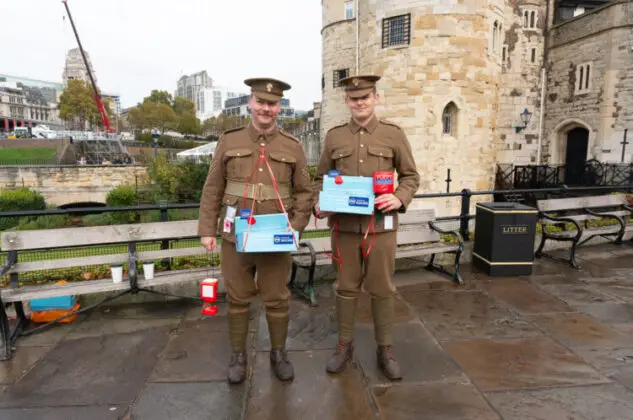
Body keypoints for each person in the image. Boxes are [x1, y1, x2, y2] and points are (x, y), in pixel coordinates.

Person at [198, 77, 313, 384]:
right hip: (234, 235)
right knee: (237, 298)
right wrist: (207, 229)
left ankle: (278, 353)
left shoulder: (292, 146)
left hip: (274, 236)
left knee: (277, 298)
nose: (266, 108)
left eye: (272, 104)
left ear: (279, 108)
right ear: (250, 103)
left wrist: (296, 227)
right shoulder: (229, 141)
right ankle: (238, 356)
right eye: (261, 102)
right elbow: (212, 188)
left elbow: (305, 191)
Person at [314, 74, 420, 380]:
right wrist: (320, 203)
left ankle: (384, 348)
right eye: (353, 98)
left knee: (382, 289)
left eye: (365, 97)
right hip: (345, 228)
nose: (360, 102)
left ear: (376, 98)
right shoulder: (334, 137)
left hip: (381, 228)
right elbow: (321, 177)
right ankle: (344, 345)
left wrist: (399, 198)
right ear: (346, 102)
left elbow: (411, 176)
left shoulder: (393, 135)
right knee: (345, 288)